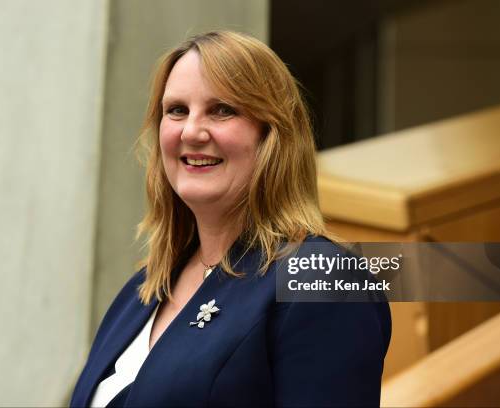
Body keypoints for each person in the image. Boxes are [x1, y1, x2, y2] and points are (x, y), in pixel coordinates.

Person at [70, 31, 391, 407]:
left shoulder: (319, 277)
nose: (192, 131)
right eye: (176, 110)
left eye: (222, 110)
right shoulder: (141, 290)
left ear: (273, 135)